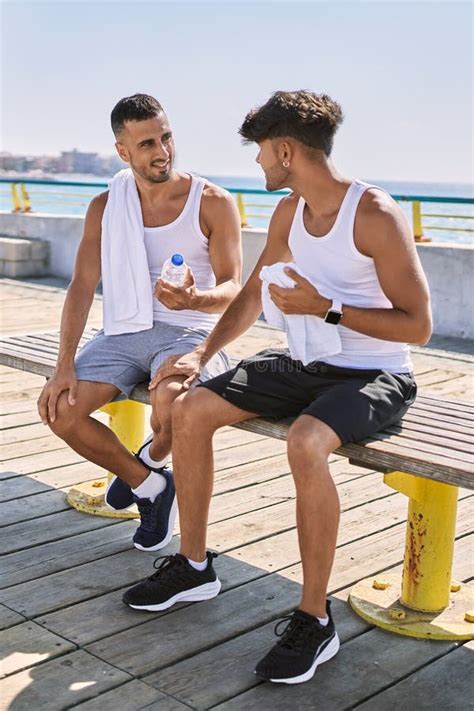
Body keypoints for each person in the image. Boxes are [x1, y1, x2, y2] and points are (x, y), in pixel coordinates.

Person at [122, 90, 432, 684]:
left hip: (377, 372)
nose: (258, 164)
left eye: (262, 152)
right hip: (306, 363)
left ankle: (314, 621)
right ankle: (193, 564)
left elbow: (417, 326)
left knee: (306, 442)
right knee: (190, 408)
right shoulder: (290, 213)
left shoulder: (374, 213)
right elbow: (254, 293)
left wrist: (328, 307)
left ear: (286, 150)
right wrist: (200, 352)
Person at [37, 93, 242, 552]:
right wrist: (64, 364)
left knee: (170, 407)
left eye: (166, 137)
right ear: (123, 151)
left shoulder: (212, 202)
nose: (162, 151)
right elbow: (81, 287)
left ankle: (146, 460)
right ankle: (149, 485)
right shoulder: (106, 207)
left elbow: (234, 288)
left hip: (190, 330)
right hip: (124, 328)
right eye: (147, 143)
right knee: (59, 409)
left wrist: (195, 296)